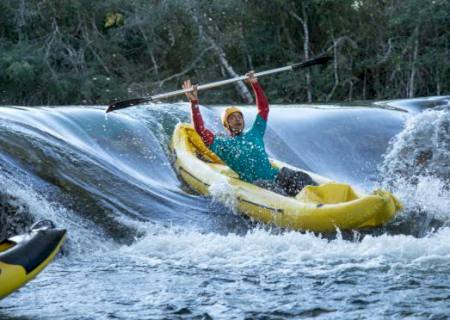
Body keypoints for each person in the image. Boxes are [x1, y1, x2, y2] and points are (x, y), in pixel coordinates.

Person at [182, 71, 316, 196]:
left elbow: (263, 108)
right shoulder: (222, 145)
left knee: (300, 177)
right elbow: (200, 130)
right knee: (272, 189)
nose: (237, 119)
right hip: (257, 185)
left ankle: (320, 198)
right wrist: (194, 102)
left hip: (275, 176)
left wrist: (255, 84)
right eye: (232, 118)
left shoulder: (255, 133)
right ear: (226, 125)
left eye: (239, 116)